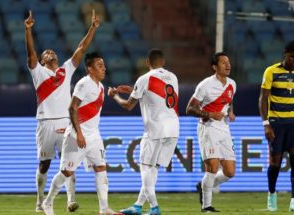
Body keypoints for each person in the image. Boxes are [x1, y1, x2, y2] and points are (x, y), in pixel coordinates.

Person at [24, 10, 99, 212]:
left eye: (52, 51)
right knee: (44, 165)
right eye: (46, 53)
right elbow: (31, 54)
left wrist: (93, 27)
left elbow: (81, 49)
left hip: (66, 122)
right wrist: (28, 30)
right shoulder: (38, 72)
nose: (51, 53)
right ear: (41, 61)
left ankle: (70, 200)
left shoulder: (65, 70)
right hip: (46, 122)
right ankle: (40, 201)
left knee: (69, 163)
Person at [42, 52, 121, 215]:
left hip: (94, 136)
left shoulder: (100, 87)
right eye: (99, 65)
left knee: (101, 168)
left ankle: (104, 208)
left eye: (104, 65)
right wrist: (79, 133)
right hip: (76, 136)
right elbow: (72, 108)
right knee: (66, 172)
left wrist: (112, 95)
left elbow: (91, 108)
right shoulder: (84, 84)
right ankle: (47, 202)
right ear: (90, 69)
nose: (104, 68)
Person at [108, 49, 179, 215]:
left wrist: (115, 96)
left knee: (145, 167)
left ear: (147, 62)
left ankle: (154, 207)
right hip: (173, 128)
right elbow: (158, 94)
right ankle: (138, 206)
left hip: (156, 129)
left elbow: (128, 105)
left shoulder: (144, 78)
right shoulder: (173, 77)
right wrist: (134, 89)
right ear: (163, 61)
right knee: (153, 169)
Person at [258, 41, 294, 212]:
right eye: (292, 56)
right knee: (275, 162)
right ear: (285, 54)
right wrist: (266, 123)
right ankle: (271, 194)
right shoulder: (271, 71)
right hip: (276, 123)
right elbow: (263, 99)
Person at [186, 52, 236, 213]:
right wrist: (209, 114)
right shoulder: (205, 85)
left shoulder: (232, 84)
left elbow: (229, 101)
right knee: (212, 168)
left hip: (224, 129)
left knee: (229, 172)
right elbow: (190, 109)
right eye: (223, 63)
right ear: (215, 67)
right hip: (208, 129)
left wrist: (230, 112)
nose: (227, 65)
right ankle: (206, 206)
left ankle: (203, 185)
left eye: (228, 62)